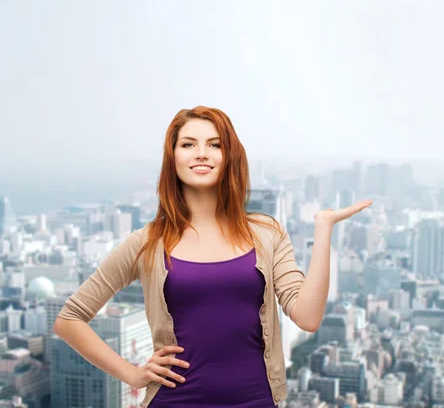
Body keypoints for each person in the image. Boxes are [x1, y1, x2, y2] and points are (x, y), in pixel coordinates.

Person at [53, 106, 372, 407]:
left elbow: (308, 317)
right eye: (188, 144)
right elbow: (69, 319)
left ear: (229, 156)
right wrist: (133, 373)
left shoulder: (267, 233)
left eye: (214, 144)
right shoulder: (147, 242)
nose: (201, 153)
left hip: (257, 400)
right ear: (173, 158)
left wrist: (324, 228)